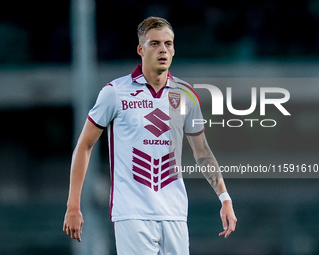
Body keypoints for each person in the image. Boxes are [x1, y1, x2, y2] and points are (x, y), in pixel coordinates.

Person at [63, 16, 237, 254]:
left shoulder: (187, 95)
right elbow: (84, 145)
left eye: (168, 43)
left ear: (174, 49)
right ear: (140, 49)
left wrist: (224, 197)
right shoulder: (115, 93)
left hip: (175, 213)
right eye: (154, 43)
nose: (162, 50)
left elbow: (202, 152)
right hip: (132, 214)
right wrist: (73, 205)